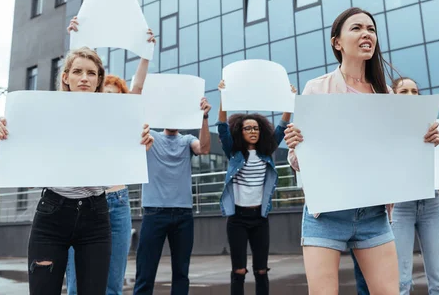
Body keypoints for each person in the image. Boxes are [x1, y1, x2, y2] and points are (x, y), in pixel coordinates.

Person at [283, 7, 439, 295]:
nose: (366, 33)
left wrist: (425, 141)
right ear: (337, 42)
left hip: (374, 216)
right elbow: (296, 161)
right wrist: (296, 145)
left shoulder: (388, 96)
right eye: (356, 28)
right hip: (326, 215)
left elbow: (400, 155)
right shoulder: (317, 89)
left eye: (371, 28)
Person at [0, 47, 154, 295]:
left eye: (91, 73)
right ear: (66, 77)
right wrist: (6, 137)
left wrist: (139, 145)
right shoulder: (44, 113)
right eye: (77, 71)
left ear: (99, 79)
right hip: (52, 214)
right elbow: (27, 154)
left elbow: (123, 157)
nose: (84, 78)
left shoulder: (115, 116)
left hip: (96, 215)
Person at [351, 77, 439, 295]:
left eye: (414, 91)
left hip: (432, 203)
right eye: (404, 91)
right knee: (401, 282)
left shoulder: (434, 127)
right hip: (400, 206)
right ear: (393, 96)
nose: (410, 95)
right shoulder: (384, 129)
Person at [64, 17, 155, 295]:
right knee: (78, 286)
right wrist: (75, 40)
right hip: (80, 200)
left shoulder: (124, 119)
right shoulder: (78, 112)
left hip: (116, 200)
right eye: (107, 93)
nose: (112, 98)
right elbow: (74, 75)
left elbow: (138, 86)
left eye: (118, 94)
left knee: (112, 287)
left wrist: (146, 52)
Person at [217, 79, 296, 295]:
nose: (252, 131)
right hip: (237, 219)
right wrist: (223, 96)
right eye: (247, 128)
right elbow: (222, 128)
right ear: (240, 132)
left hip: (260, 218)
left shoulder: (265, 153)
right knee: (239, 270)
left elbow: (281, 126)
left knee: (262, 270)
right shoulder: (234, 154)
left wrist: (289, 99)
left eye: (256, 128)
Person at [132, 97, 212, 295]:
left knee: (181, 273)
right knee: (145, 272)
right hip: (154, 213)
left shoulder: (187, 140)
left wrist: (204, 118)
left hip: (183, 215)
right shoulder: (151, 136)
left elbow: (203, 148)